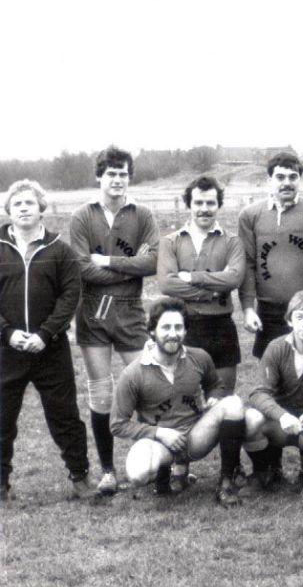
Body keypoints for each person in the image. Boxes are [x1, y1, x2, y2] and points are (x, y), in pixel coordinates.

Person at [69, 145, 159, 495]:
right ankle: (107, 471)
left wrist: (107, 263)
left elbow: (152, 263)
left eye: (123, 174)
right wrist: (128, 268)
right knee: (101, 392)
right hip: (93, 312)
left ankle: (160, 464)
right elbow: (81, 268)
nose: (118, 180)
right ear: (99, 177)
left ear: (129, 177)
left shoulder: (143, 214)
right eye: (111, 174)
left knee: (148, 385)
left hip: (130, 310)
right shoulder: (81, 216)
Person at [0, 180, 90, 501]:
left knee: (64, 415)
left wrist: (45, 333)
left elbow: (70, 296)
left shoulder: (60, 251)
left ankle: (80, 476)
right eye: (17, 203)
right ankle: (1, 484)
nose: (24, 208)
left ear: (41, 208)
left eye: (29, 202)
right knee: (2, 418)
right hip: (6, 350)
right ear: (8, 210)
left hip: (50, 350)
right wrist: (7, 333)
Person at [110, 298, 247, 507]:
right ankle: (164, 475)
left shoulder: (199, 357)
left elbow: (215, 385)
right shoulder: (133, 373)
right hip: (160, 441)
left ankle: (227, 482)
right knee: (138, 472)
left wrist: (213, 397)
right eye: (165, 327)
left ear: (185, 331)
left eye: (178, 327)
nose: (173, 333)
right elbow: (118, 424)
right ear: (152, 331)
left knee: (234, 404)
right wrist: (159, 433)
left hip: (194, 436)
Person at [239, 151, 303, 359]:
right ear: (269, 180)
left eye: (293, 177)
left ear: (300, 180)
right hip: (268, 310)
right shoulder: (250, 215)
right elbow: (247, 263)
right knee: (271, 374)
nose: (287, 183)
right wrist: (248, 307)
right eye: (280, 177)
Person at [243, 290, 303, 491]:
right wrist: (282, 416)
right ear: (289, 321)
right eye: (300, 317)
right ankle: (265, 469)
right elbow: (258, 393)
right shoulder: (276, 347)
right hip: (281, 424)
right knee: (250, 420)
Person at [157, 175, 244, 391]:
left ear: (219, 205)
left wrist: (193, 277)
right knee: (185, 398)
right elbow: (167, 284)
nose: (204, 209)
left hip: (221, 327)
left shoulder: (232, 241)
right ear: (189, 204)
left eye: (210, 203)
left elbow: (234, 278)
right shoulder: (170, 241)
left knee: (223, 398)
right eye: (198, 203)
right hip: (186, 326)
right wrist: (212, 292)